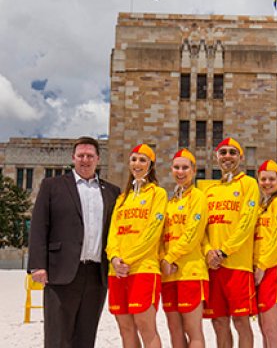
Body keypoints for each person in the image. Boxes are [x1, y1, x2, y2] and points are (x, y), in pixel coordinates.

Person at [27, 136, 120, 348]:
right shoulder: (52, 186)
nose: (85, 160)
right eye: (81, 156)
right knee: (58, 335)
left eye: (90, 156)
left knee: (86, 335)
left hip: (96, 274)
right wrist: (38, 265)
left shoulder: (112, 192)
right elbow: (40, 225)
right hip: (62, 271)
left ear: (98, 159)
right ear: (73, 158)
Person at [106, 143, 167, 348]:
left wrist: (128, 259)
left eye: (143, 160)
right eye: (134, 159)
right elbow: (112, 233)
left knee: (145, 326)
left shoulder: (157, 194)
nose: (137, 164)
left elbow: (152, 232)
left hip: (143, 268)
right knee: (125, 328)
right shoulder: (122, 198)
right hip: (117, 271)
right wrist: (114, 258)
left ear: (151, 165)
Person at [203, 137, 259, 348]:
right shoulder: (209, 190)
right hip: (213, 267)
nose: (227, 156)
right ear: (216, 157)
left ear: (240, 157)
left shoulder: (249, 184)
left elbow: (247, 222)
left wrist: (224, 251)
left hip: (237, 265)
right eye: (223, 152)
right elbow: (203, 229)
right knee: (219, 322)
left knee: (241, 321)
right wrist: (209, 251)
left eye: (232, 152)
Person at [160, 148, 208, 348]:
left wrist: (169, 258)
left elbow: (192, 235)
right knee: (174, 329)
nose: (181, 172)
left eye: (185, 168)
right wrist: (164, 259)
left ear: (194, 170)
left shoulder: (198, 197)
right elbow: (161, 237)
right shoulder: (170, 202)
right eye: (177, 167)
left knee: (193, 330)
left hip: (191, 272)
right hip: (169, 275)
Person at [253, 160, 277, 348]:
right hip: (260, 268)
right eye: (263, 179)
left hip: (274, 268)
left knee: (270, 326)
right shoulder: (261, 206)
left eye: (271, 179)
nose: (267, 183)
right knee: (263, 326)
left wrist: (262, 265)